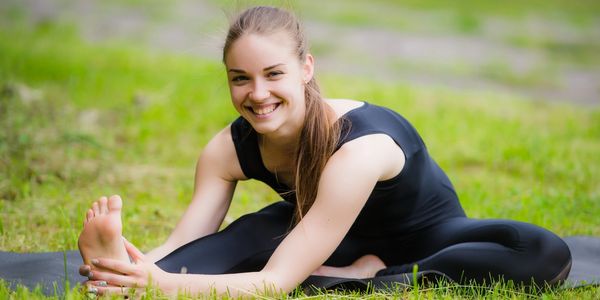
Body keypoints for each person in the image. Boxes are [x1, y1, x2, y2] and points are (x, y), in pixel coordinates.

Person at [76, 6, 572, 297]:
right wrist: (138, 264)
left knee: (543, 252)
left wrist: (161, 285)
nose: (258, 93)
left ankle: (369, 277)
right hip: (321, 234)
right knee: (231, 244)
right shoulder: (226, 150)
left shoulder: (359, 147)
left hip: (428, 241)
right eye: (240, 78)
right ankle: (114, 267)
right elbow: (189, 239)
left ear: (306, 69)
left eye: (273, 74)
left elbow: (274, 283)